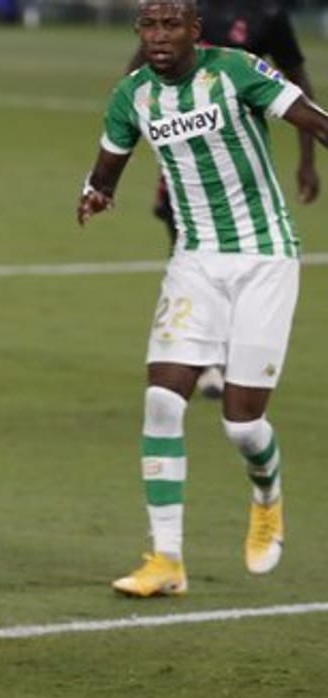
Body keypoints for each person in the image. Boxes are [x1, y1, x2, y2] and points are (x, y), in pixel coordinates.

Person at [77, 0, 328, 597]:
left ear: (195, 30)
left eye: (171, 25)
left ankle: (267, 497)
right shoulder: (132, 95)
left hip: (265, 258)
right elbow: (111, 162)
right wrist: (95, 194)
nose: (159, 36)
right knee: (163, 399)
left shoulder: (235, 70)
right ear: (139, 31)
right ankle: (166, 560)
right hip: (195, 262)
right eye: (149, 25)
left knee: (243, 424)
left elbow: (314, 119)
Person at [126, 0, 319, 399]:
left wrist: (307, 161)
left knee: (240, 254)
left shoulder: (268, 15)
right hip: (188, 162)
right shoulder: (186, 7)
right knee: (185, 240)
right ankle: (206, 354)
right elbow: (138, 69)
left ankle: (229, 354)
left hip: (238, 164)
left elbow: (297, 82)